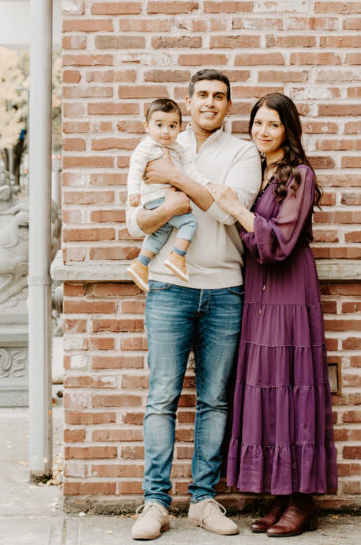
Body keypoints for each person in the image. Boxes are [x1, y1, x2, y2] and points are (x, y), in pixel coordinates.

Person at [127, 69, 261, 541]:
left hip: (225, 287)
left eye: (219, 97)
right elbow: (136, 221)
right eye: (201, 95)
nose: (209, 102)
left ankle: (203, 500)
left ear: (228, 105)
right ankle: (156, 504)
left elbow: (232, 215)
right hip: (167, 285)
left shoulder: (243, 152)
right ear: (188, 101)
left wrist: (176, 178)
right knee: (161, 397)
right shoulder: (160, 141)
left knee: (215, 400)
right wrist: (169, 205)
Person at [208, 93, 337, 538]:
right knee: (267, 387)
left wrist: (237, 209)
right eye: (257, 124)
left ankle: (303, 501)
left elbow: (278, 243)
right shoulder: (259, 173)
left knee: (293, 384)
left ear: (288, 130)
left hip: (288, 290)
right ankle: (281, 495)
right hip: (257, 294)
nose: (263, 132)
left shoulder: (298, 175)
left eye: (273, 125)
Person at [126, 97, 212, 290]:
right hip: (156, 198)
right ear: (147, 126)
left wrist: (206, 184)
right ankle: (177, 256)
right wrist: (133, 192)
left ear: (180, 128)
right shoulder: (146, 147)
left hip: (165, 198)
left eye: (172, 126)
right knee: (189, 223)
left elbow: (190, 171)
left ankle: (140, 264)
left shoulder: (177, 148)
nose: (166, 131)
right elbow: (135, 169)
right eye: (159, 125)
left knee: (161, 233)